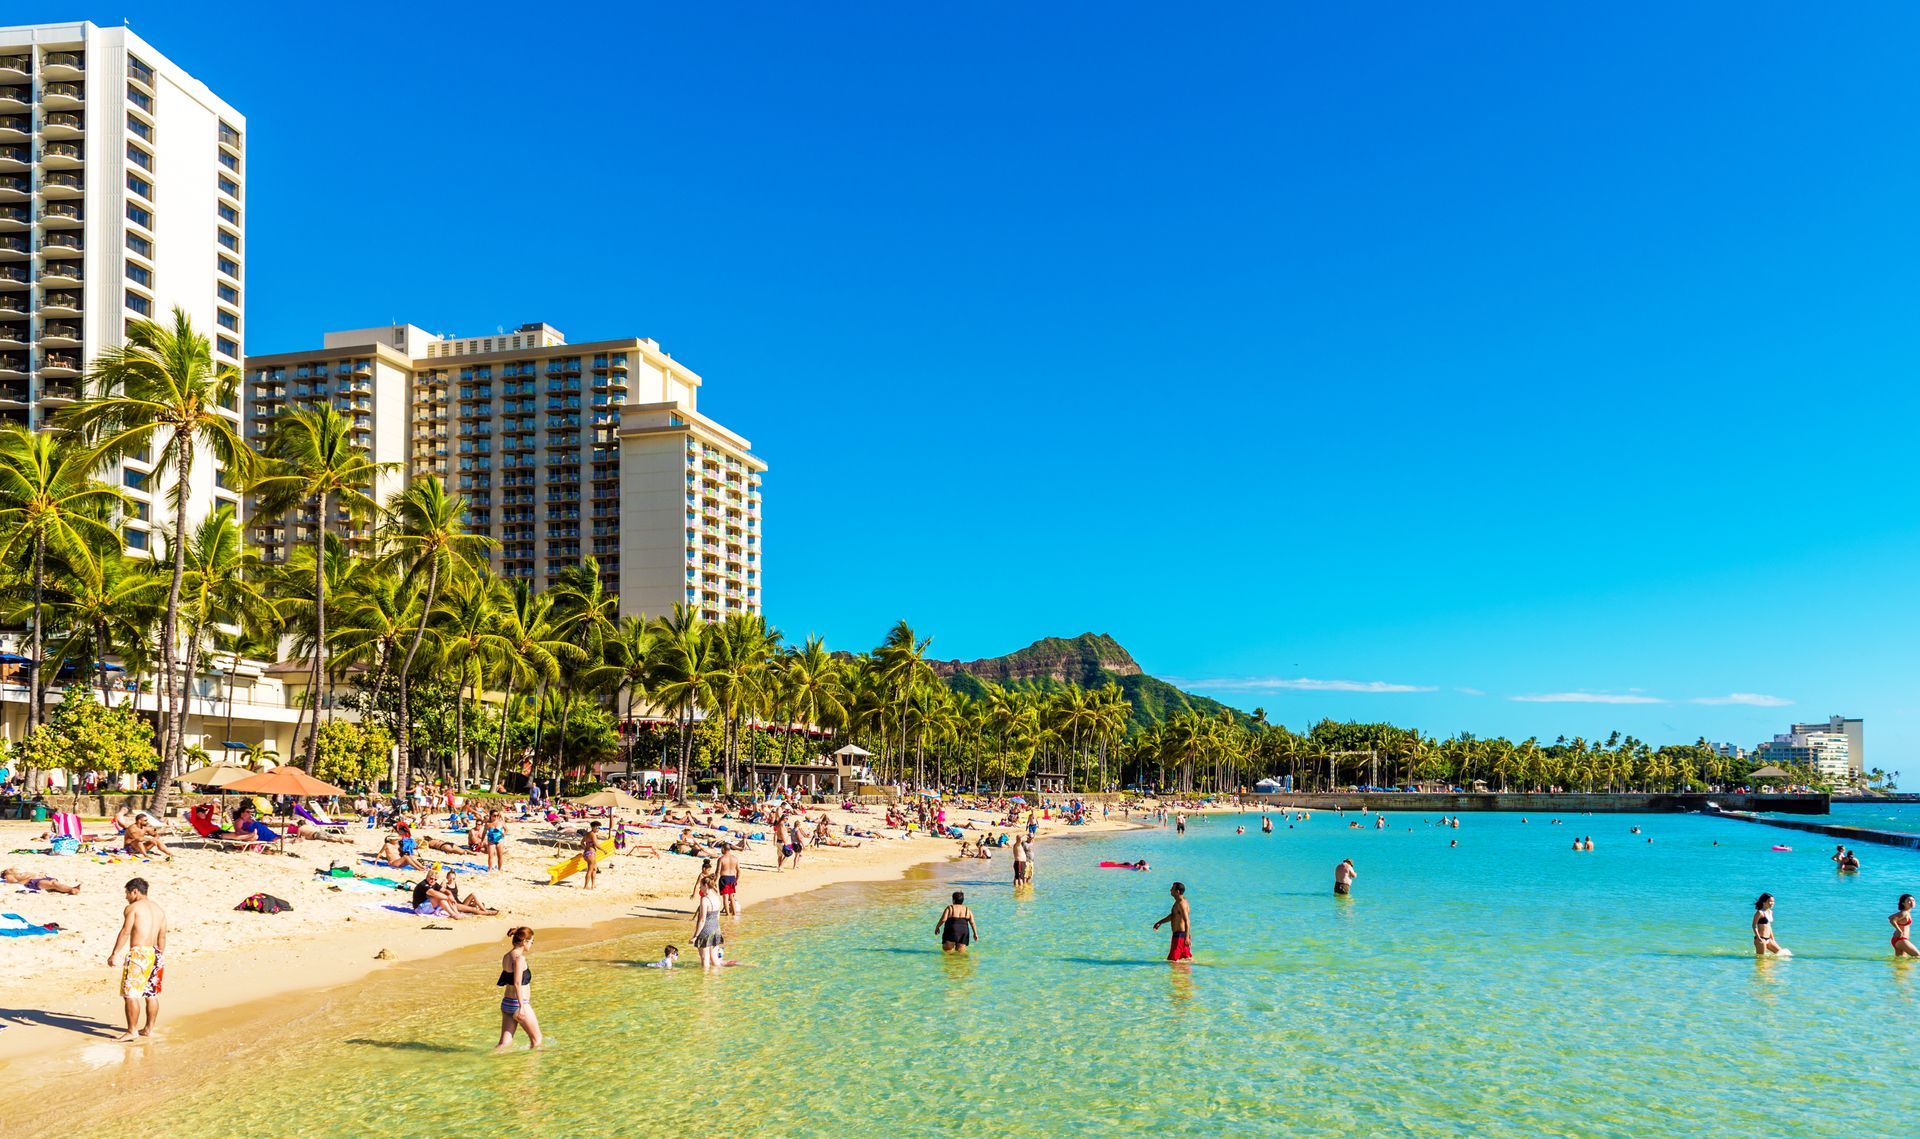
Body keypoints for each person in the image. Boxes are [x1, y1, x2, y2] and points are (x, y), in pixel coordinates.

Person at [106, 877, 167, 1041]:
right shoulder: (159, 909)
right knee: (151, 993)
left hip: (139, 953)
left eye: (127, 893)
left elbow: (126, 931)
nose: (126, 897)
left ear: (135, 891)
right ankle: (148, 1029)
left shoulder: (133, 908)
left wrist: (115, 953)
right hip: (155, 953)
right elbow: (162, 936)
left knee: (130, 994)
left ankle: (132, 1031)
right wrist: (159, 956)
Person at [495, 926, 542, 1051]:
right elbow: (517, 983)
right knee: (537, 1040)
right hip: (519, 1004)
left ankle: (488, 1059)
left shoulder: (507, 956)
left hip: (507, 1004)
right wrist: (522, 1007)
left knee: (504, 1044)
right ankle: (531, 1069)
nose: (531, 945)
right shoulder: (519, 959)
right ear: (524, 941)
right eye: (532, 942)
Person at [692, 873, 725, 970]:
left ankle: (705, 982)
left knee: (704, 959)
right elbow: (718, 915)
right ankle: (716, 980)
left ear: (705, 885)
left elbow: (702, 920)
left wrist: (695, 936)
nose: (700, 889)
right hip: (716, 929)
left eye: (701, 886)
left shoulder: (705, 900)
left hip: (705, 931)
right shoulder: (716, 897)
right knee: (714, 959)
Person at [1154, 881, 1191, 961]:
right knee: (1186, 960)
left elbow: (1187, 920)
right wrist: (1160, 922)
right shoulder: (1178, 902)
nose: (1170, 890)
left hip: (1180, 937)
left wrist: (1187, 937)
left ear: (1177, 892)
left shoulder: (1182, 904)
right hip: (1181, 936)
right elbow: (1173, 916)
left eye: (1172, 889)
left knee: (1172, 961)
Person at [1, 866, 80, 894]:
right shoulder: (8, 875)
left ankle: (70, 888)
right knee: (53, 884)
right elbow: (18, 883)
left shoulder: (12, 870)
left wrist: (40, 874)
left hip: (41, 878)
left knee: (54, 883)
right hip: (33, 882)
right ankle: (71, 889)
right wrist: (30, 878)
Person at [716, 845, 741, 916]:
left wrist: (714, 881)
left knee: (725, 897)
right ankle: (734, 913)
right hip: (732, 878)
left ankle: (727, 914)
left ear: (723, 849)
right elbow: (739, 871)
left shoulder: (721, 859)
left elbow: (717, 871)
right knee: (732, 897)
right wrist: (736, 880)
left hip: (724, 878)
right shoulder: (735, 858)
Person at [580, 822, 601, 891]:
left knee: (594, 869)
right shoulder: (593, 834)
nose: (598, 829)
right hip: (591, 854)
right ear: (593, 827)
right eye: (597, 827)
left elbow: (582, 842)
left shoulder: (587, 834)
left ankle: (593, 885)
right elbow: (596, 845)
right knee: (590, 870)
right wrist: (604, 850)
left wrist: (586, 848)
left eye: (599, 827)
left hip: (588, 853)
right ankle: (585, 886)